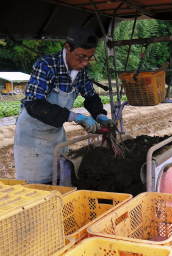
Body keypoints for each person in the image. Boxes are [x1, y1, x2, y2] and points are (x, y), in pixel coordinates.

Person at [14, 26, 113, 184]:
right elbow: (35, 104)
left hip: (54, 134)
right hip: (33, 136)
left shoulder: (80, 73)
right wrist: (74, 116)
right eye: (81, 57)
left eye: (89, 58)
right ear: (67, 48)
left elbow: (91, 96)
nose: (84, 63)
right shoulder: (46, 66)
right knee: (37, 186)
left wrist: (100, 114)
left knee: (61, 179)